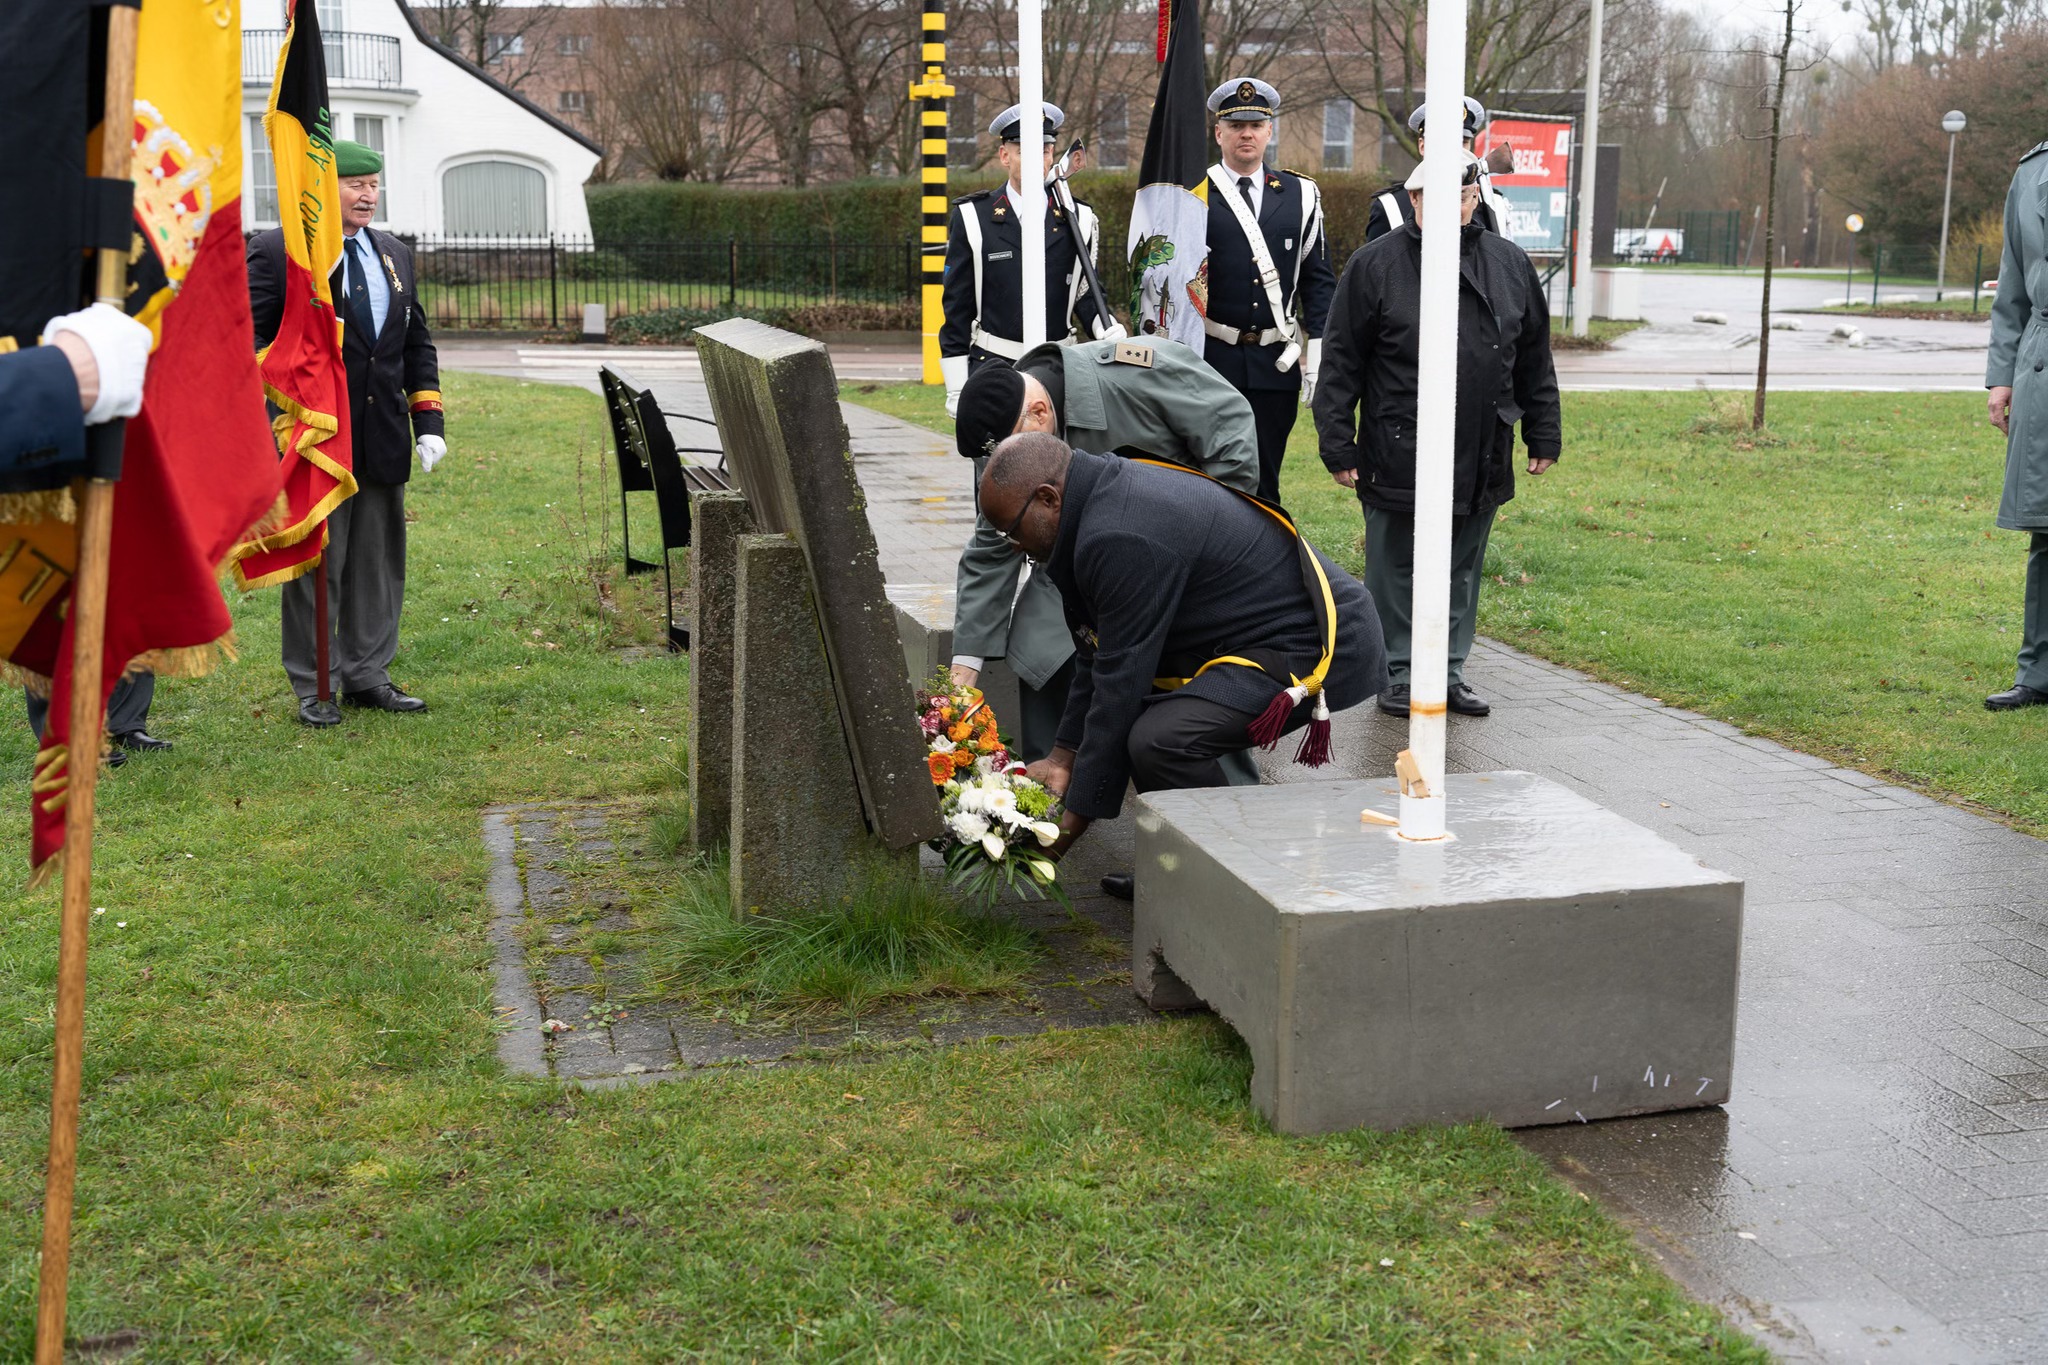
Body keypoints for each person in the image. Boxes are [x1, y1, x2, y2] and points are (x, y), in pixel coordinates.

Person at [979, 433, 1386, 893]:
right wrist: (1061, 757)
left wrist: (1072, 822)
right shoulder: (1097, 500)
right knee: (1152, 732)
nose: (1012, 544)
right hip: (1256, 634)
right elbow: (1100, 653)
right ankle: (1179, 874)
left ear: (1048, 498)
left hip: (1312, 638)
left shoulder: (1119, 533)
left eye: (1011, 529)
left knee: (1163, 740)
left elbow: (1121, 685)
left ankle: (1233, 884)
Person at [1313, 153, 1561, 720]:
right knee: (1396, 566)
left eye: (1462, 197)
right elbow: (1341, 361)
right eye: (1434, 198)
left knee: (1461, 567)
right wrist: (1337, 443)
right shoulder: (1375, 264)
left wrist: (1543, 432)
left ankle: (1447, 672)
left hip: (1484, 447)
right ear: (1414, 199)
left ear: (1474, 200)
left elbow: (1533, 356)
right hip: (1398, 445)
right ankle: (1399, 672)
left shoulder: (1508, 262)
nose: (1451, 208)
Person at [947, 337, 1261, 759]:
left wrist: (1209, 531)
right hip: (1079, 567)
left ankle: (1211, 787)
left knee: (1192, 678)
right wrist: (963, 672)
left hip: (1178, 552)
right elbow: (992, 545)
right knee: (1039, 648)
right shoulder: (1000, 430)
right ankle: (1050, 779)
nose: (1012, 463)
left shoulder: (1134, 377)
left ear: (1039, 412)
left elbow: (1231, 430)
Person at [247, 139, 445, 728]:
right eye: (356, 184)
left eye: (374, 185)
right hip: (315, 438)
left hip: (381, 434)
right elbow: (248, 341)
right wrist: (284, 408)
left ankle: (367, 674)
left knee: (377, 561)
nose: (369, 195)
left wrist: (428, 421)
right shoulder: (281, 250)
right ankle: (315, 683)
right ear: (322, 187)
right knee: (319, 563)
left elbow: (414, 343)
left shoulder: (394, 253)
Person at [4, 304, 167, 761]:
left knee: (127, 575)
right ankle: (65, 726)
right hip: (42, 422)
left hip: (119, 421)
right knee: (51, 584)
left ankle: (127, 722)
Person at [1198, 77, 1336, 503]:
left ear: (1269, 131)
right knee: (1212, 477)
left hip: (1275, 361)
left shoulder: (1300, 194)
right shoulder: (1194, 194)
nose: (1247, 134)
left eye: (1256, 125)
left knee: (1266, 479)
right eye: (1236, 125)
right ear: (1218, 133)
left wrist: (1318, 357)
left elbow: (1318, 280)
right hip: (1211, 359)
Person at [939, 102, 1119, 415]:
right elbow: (957, 307)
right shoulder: (973, 216)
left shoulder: (1079, 217)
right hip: (995, 367)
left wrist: (1105, 327)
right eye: (1025, 151)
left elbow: (1084, 292)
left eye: (1045, 150)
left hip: (1058, 369)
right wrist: (956, 386)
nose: (1038, 159)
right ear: (1005, 156)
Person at [1983, 137, 2048, 711]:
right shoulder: (2031, 172)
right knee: (2047, 529)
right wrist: (2001, 377)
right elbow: (2011, 289)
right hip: (2041, 367)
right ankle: (2038, 673)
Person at [1363, 98, 1511, 244]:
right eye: (1443, 142)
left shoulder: (1495, 203)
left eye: (1463, 142)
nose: (1454, 151)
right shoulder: (1391, 207)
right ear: (1422, 146)